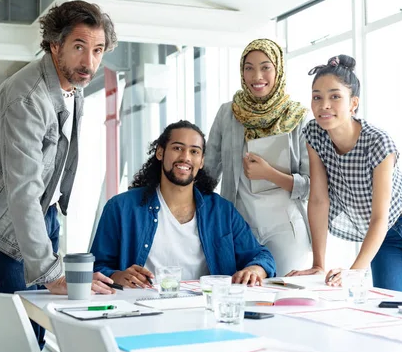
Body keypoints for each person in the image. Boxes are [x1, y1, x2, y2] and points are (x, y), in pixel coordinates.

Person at [0, 0, 118, 345]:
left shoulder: (72, 85)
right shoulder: (27, 98)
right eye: (79, 47)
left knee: (38, 328)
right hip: (1, 223)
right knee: (19, 336)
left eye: (97, 50)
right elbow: (22, 191)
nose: (89, 62)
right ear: (54, 44)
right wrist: (51, 273)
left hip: (41, 212)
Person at [287, 55, 402, 299]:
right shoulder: (314, 133)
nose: (324, 104)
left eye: (335, 96)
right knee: (390, 309)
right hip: (384, 236)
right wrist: (318, 264)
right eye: (317, 97)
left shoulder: (377, 142)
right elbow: (319, 200)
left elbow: (380, 216)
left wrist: (353, 273)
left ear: (353, 103)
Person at [91, 120, 276, 286]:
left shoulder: (221, 211)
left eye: (194, 151)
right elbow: (96, 267)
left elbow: (261, 256)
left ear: (201, 161)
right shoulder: (120, 208)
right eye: (177, 148)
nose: (185, 157)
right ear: (160, 152)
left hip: (205, 307)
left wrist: (254, 270)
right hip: (143, 308)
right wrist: (117, 276)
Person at [205, 38, 311, 276]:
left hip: (286, 228)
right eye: (249, 68)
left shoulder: (299, 117)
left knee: (283, 299)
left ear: (279, 70)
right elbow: (207, 173)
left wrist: (269, 174)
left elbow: (312, 187)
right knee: (241, 296)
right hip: (238, 227)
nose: (256, 76)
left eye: (265, 67)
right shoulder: (228, 113)